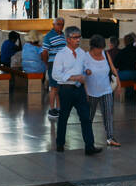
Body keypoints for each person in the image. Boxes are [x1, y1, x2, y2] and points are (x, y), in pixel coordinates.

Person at [52, 27, 101, 155]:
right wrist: (74, 77)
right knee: (63, 117)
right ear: (68, 39)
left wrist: (87, 70)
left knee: (86, 117)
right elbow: (55, 74)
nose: (78, 40)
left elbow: (85, 66)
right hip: (66, 90)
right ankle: (60, 144)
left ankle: (89, 146)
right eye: (75, 37)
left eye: (79, 37)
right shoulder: (61, 54)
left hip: (79, 90)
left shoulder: (82, 53)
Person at [83, 34, 121, 147]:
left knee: (108, 114)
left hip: (106, 90)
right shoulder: (85, 57)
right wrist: (85, 91)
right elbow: (82, 73)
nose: (100, 51)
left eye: (102, 48)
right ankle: (89, 140)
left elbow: (113, 69)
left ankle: (110, 137)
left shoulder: (105, 54)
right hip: (91, 92)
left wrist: (119, 84)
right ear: (92, 47)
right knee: (89, 117)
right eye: (98, 48)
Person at [41, 17, 67, 118]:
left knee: (59, 87)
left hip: (63, 65)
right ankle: (52, 109)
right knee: (54, 87)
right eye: (58, 24)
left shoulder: (63, 35)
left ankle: (59, 108)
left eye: (62, 24)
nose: (60, 26)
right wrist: (47, 64)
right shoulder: (48, 36)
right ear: (53, 25)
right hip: (53, 64)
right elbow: (44, 53)